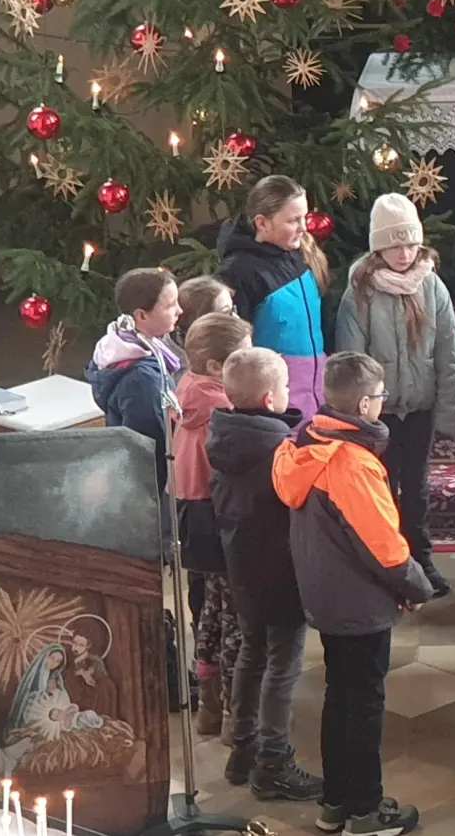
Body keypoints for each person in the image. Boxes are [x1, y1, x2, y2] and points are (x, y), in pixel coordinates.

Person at [273, 352, 431, 836]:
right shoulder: (351, 464)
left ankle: (335, 804)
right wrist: (416, 585)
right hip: (359, 601)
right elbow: (382, 547)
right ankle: (365, 811)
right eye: (380, 397)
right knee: (362, 706)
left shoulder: (303, 445)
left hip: (326, 594)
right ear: (364, 405)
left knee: (338, 698)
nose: (383, 403)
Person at [336, 194, 455, 598]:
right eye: (395, 244)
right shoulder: (360, 290)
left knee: (417, 487)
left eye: (411, 243)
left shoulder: (432, 286)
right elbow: (352, 359)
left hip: (420, 407)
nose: (405, 253)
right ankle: (387, 564)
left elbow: (448, 353)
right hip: (378, 413)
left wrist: (450, 411)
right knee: (380, 489)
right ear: (379, 247)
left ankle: (421, 560)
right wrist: (358, 415)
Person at [209, 346, 321, 801]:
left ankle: (243, 749)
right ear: (271, 397)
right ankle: (274, 761)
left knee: (251, 654)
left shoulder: (223, 435)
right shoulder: (277, 449)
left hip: (242, 567)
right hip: (280, 570)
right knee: (283, 664)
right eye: (287, 388)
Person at [174, 314, 253, 743]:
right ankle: (234, 713)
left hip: (192, 514)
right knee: (232, 616)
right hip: (217, 515)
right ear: (214, 368)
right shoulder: (221, 408)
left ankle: (208, 708)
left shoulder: (187, 391)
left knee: (208, 612)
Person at [219, 175, 329, 422]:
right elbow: (234, 350)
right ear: (262, 223)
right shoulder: (239, 272)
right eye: (293, 220)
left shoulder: (301, 254)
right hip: (275, 406)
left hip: (316, 398)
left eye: (304, 217)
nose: (304, 227)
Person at [86, 268, 183, 489]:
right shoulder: (143, 380)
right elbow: (149, 446)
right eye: (170, 305)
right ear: (141, 315)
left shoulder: (118, 347)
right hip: (150, 486)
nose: (180, 310)